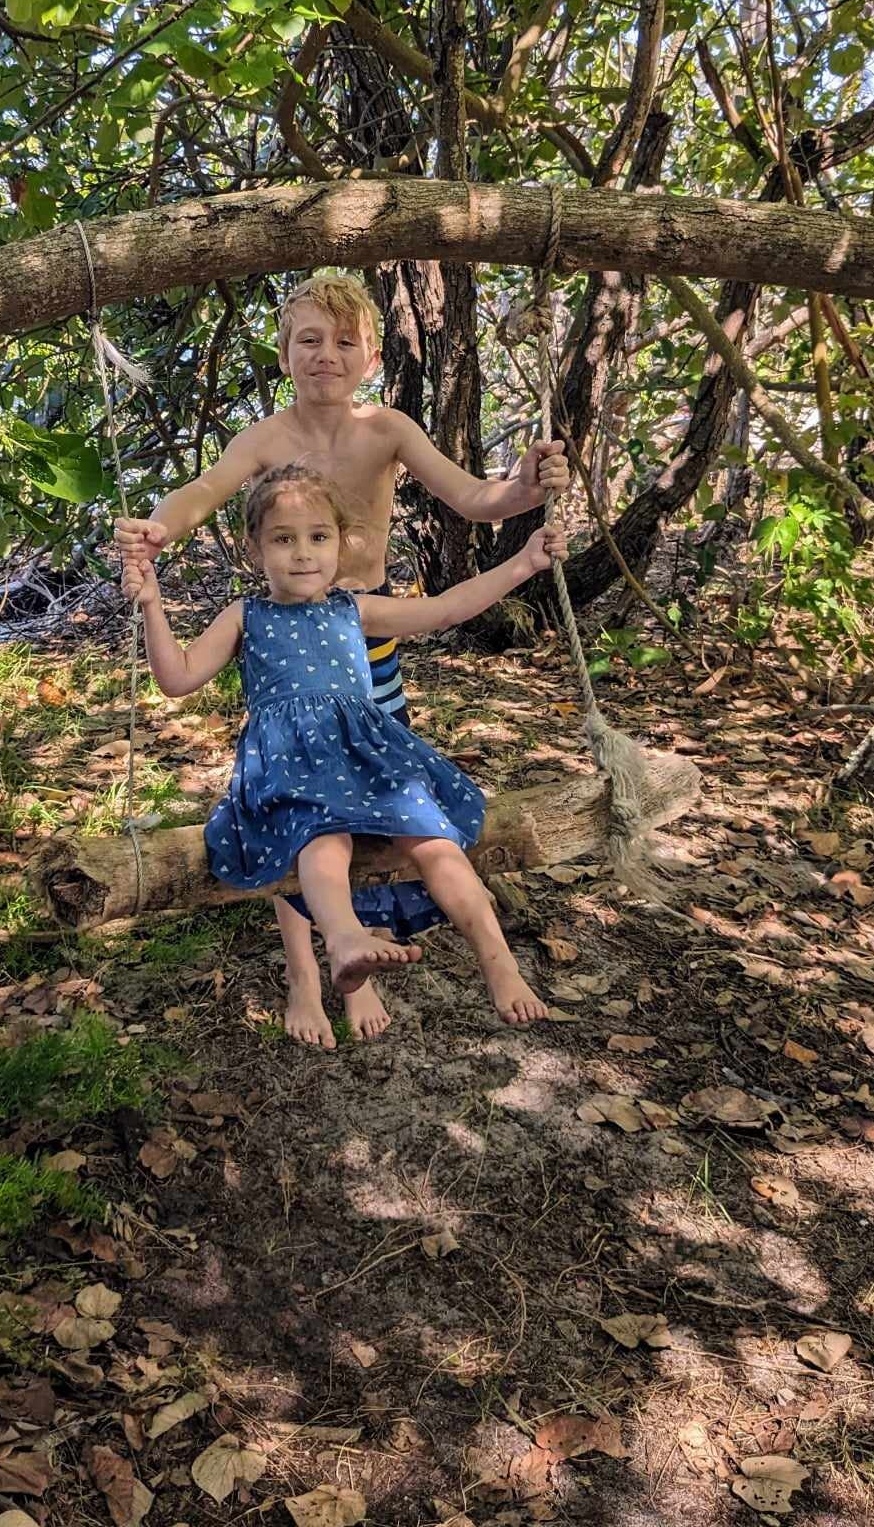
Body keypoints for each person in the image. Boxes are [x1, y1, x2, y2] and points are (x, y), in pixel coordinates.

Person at [115, 272, 568, 1046]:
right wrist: (158, 528)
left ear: (371, 358)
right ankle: (306, 973)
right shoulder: (264, 440)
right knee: (301, 810)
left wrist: (525, 487)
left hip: (362, 640)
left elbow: (475, 499)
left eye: (345, 341)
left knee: (378, 809)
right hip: (290, 655)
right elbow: (202, 490)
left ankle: (369, 950)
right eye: (309, 340)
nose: (326, 354)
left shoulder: (386, 428)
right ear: (285, 353)